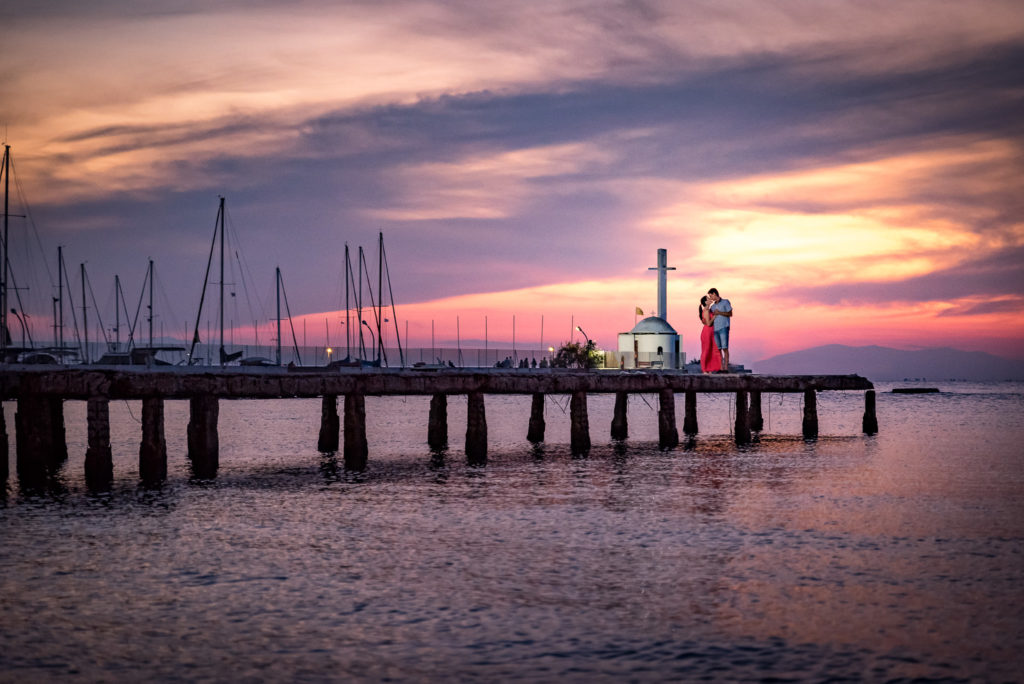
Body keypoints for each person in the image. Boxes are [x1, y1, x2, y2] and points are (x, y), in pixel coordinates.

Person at [707, 287, 732, 372]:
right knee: (718, 349)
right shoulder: (713, 307)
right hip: (715, 330)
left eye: (711, 296)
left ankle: (726, 368)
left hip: (724, 327)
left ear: (714, 294)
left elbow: (730, 313)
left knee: (725, 348)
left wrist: (719, 312)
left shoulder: (725, 302)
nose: (710, 298)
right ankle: (721, 368)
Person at [699, 295, 721, 373]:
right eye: (708, 298)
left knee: (713, 350)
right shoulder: (706, 311)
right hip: (707, 332)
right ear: (706, 302)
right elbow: (708, 323)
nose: (710, 298)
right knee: (706, 350)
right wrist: (714, 316)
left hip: (712, 332)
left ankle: (709, 369)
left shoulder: (709, 310)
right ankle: (704, 369)